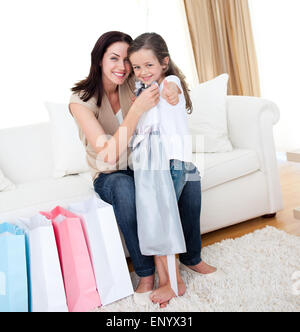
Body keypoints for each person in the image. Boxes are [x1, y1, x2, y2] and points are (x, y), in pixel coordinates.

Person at [69, 31, 216, 308]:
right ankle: (147, 272)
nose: (122, 67)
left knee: (191, 176)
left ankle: (191, 257)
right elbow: (109, 154)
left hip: (145, 165)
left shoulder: (133, 82)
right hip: (111, 172)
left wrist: (172, 87)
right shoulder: (81, 101)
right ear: (99, 60)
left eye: (127, 61)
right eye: (114, 59)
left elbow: (163, 76)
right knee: (128, 190)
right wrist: (137, 111)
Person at [127, 32, 202, 307]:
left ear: (164, 63)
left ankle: (174, 281)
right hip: (152, 165)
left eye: (149, 65)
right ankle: (168, 279)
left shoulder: (169, 82)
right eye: (137, 67)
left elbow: (173, 91)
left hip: (170, 162)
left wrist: (169, 91)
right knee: (156, 220)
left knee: (165, 220)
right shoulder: (141, 90)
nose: (143, 72)